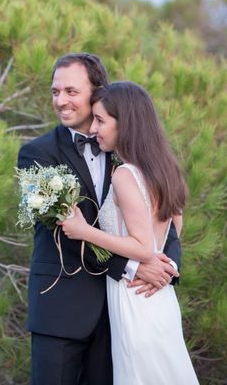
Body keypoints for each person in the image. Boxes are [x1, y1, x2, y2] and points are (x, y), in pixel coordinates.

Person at [17, 53, 182, 384]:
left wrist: (166, 267)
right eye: (55, 92)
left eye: (71, 91)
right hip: (60, 310)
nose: (60, 101)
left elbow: (160, 215)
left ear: (96, 92)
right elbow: (64, 233)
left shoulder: (126, 150)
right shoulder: (37, 154)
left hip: (119, 314)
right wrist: (134, 264)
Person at [59, 81, 198, 384]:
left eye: (101, 120)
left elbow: (143, 247)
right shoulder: (164, 169)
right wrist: (165, 261)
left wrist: (84, 231)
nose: (94, 129)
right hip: (159, 298)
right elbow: (175, 225)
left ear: (126, 123)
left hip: (133, 297)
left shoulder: (125, 173)